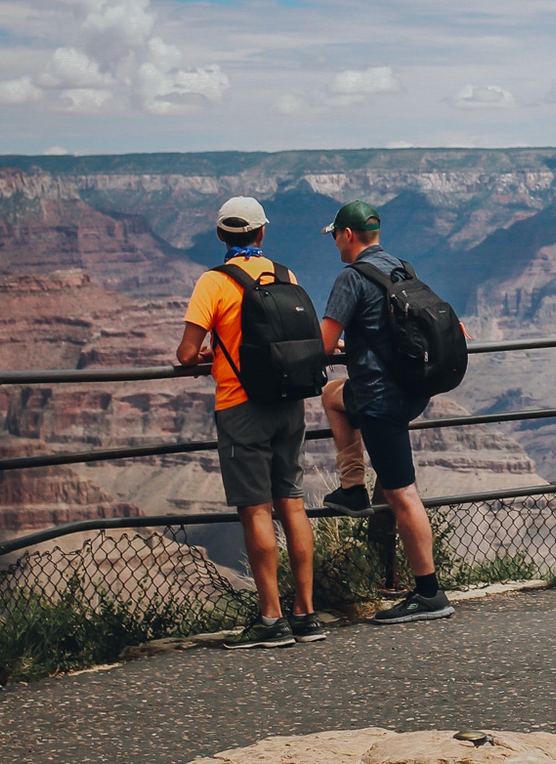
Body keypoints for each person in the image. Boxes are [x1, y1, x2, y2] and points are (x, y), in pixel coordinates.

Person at [176, 196, 322, 649]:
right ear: (262, 234)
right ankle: (306, 614)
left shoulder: (213, 283)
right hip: (289, 401)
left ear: (221, 235)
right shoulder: (286, 275)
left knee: (256, 509)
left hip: (241, 405)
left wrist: (210, 355)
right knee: (292, 504)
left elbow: (185, 353)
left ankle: (270, 618)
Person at [320, 200, 454, 624]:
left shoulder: (351, 277)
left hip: (381, 400)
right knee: (332, 395)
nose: (337, 244)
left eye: (336, 237)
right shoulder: (401, 267)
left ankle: (429, 593)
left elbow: (323, 344)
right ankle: (353, 487)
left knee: (402, 494)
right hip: (411, 389)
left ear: (346, 235)